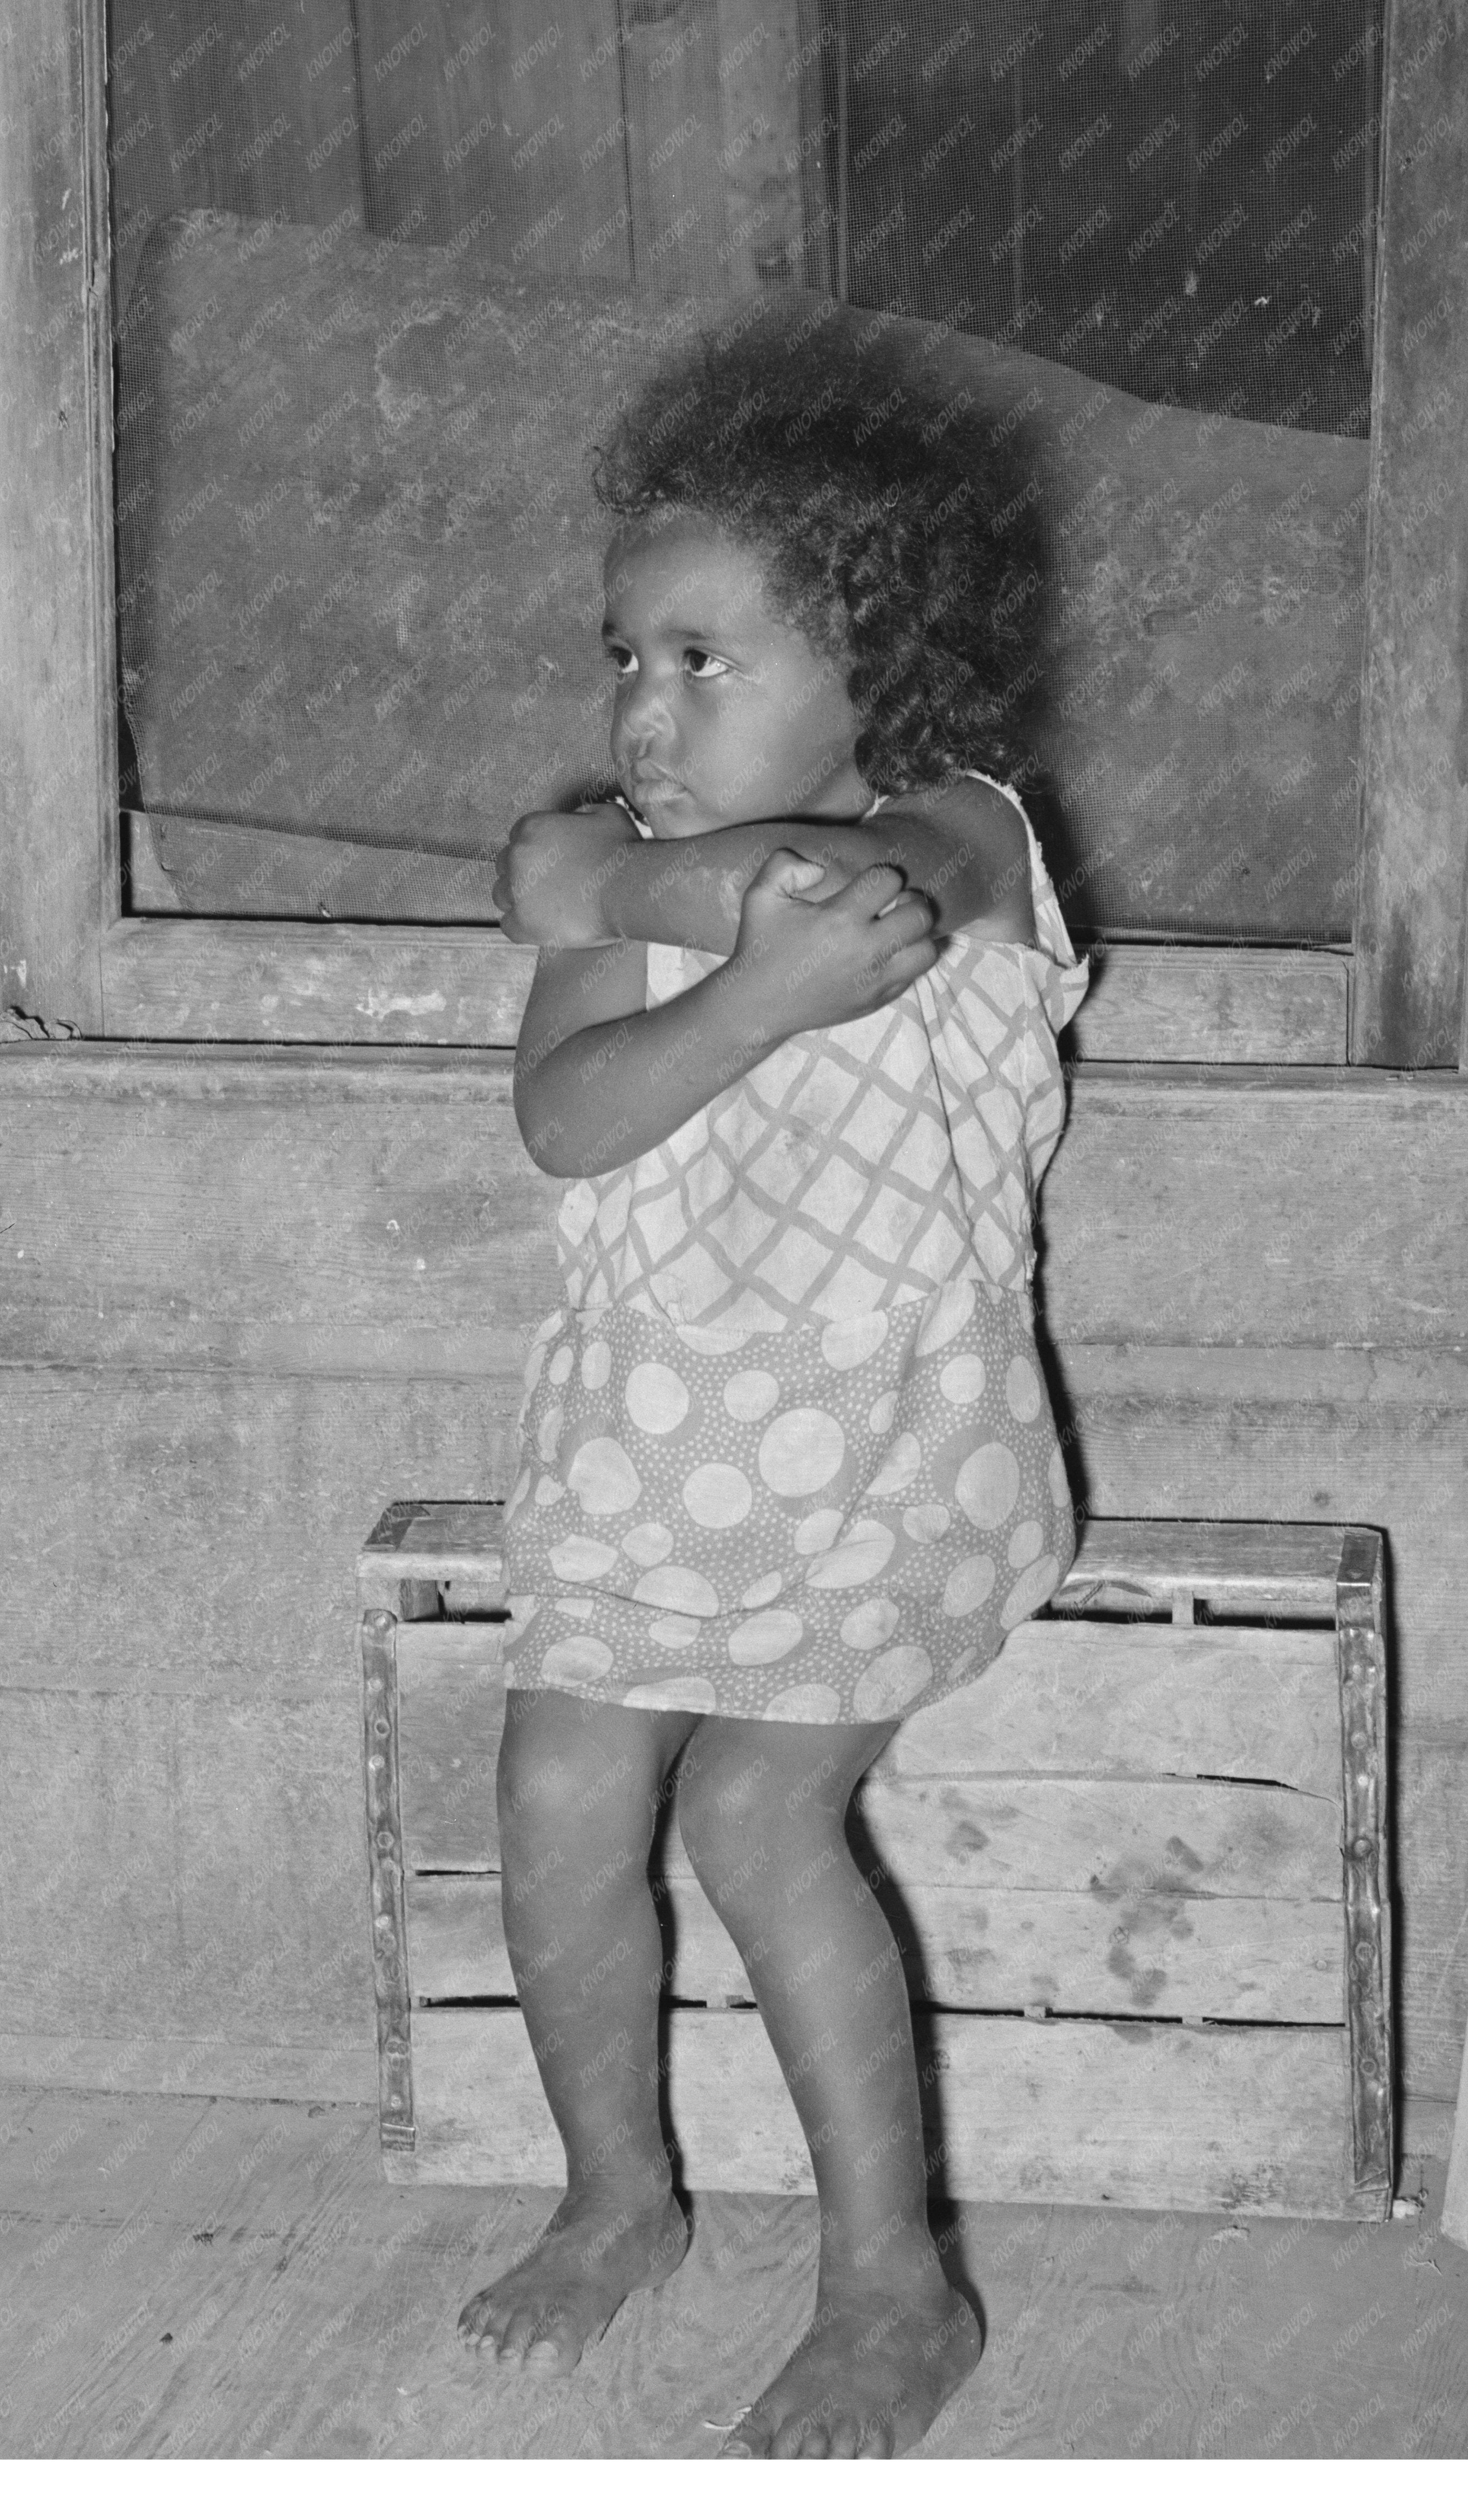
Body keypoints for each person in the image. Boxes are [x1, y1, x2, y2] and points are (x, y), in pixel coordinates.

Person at [461, 316, 1087, 2458]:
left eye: (705, 659)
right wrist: (725, 983)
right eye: (625, 656)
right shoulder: (620, 890)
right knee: (557, 1797)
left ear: (875, 666)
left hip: (882, 1459)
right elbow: (568, 1116)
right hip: (648, 1450)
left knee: (752, 1811)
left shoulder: (971, 830)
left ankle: (897, 2288)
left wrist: (614, 883)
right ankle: (620, 2195)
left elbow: (865, 903)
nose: (644, 705)